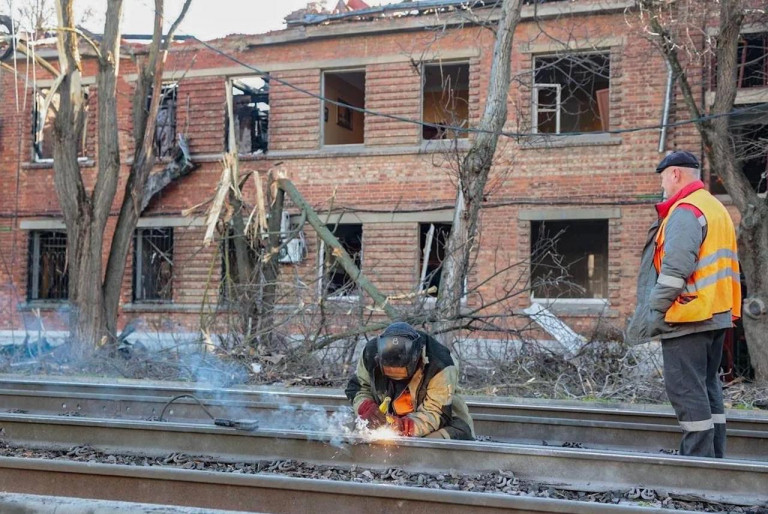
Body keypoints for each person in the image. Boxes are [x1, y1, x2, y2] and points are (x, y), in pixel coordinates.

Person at [627, 150, 741, 458]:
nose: (662, 183)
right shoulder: (714, 207)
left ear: (675, 174)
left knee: (686, 390)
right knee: (707, 388)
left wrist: (655, 311)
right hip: (716, 314)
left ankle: (697, 464)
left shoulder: (685, 211)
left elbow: (675, 271)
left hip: (688, 316)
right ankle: (714, 459)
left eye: (663, 176)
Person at [345, 322, 474, 440]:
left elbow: (435, 412)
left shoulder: (440, 365)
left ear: (415, 359)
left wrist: (404, 427)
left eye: (401, 373)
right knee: (352, 429)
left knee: (440, 440)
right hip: (387, 416)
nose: (396, 378)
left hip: (433, 417)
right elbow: (360, 387)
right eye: (390, 372)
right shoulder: (370, 353)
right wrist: (367, 408)